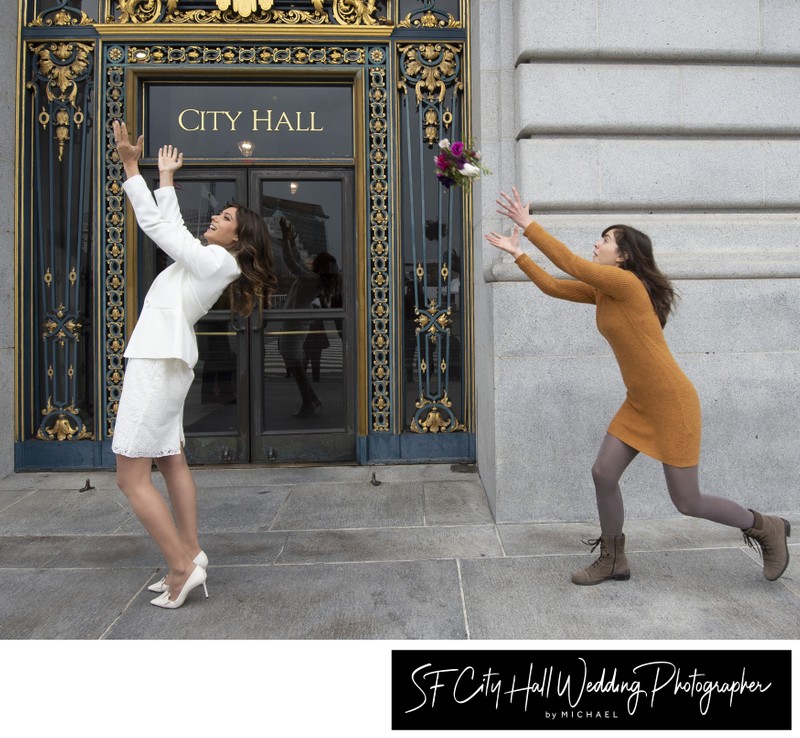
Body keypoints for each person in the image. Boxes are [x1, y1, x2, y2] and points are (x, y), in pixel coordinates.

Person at [485, 187, 791, 585]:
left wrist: (530, 226)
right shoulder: (606, 290)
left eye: (606, 239)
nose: (598, 242)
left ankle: (764, 526)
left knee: (687, 500)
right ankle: (614, 559)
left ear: (624, 255)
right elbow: (555, 286)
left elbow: (572, 264)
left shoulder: (626, 286)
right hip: (639, 403)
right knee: (603, 473)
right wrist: (519, 253)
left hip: (672, 402)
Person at [111, 121, 277, 608]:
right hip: (165, 355)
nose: (216, 219)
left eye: (225, 217)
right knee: (169, 459)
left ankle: (182, 568)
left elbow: (163, 231)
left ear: (238, 236)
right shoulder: (210, 259)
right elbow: (176, 233)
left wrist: (130, 168)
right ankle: (191, 554)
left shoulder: (221, 262)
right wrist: (164, 179)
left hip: (160, 357)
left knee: (130, 475)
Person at [278, 216, 339, 417]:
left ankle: (308, 402)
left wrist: (285, 240)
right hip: (297, 324)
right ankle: (312, 399)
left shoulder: (311, 280)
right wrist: (292, 242)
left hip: (293, 325)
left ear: (318, 265)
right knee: (296, 365)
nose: (311, 262)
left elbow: (291, 263)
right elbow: (296, 262)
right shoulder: (315, 281)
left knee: (296, 365)